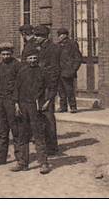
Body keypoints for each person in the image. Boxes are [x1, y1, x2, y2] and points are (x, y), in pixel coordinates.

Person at [13, 51, 51, 174]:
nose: (33, 60)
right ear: (26, 59)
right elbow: (16, 89)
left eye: (35, 57)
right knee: (23, 134)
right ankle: (22, 163)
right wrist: (17, 104)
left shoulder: (43, 72)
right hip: (23, 105)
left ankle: (43, 163)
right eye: (30, 58)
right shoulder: (22, 72)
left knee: (38, 135)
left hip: (36, 106)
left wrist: (47, 102)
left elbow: (50, 88)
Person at [0, 42, 20, 167]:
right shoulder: (0, 66)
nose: (6, 56)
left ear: (12, 53)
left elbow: (20, 84)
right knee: (2, 130)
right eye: (3, 54)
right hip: (1, 101)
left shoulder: (17, 65)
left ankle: (19, 157)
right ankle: (1, 157)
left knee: (15, 129)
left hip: (12, 100)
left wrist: (15, 99)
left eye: (8, 54)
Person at [32, 25, 61, 155]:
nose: (35, 38)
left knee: (48, 116)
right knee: (40, 116)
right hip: (39, 86)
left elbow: (54, 71)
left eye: (38, 36)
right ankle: (44, 144)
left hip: (48, 87)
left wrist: (51, 94)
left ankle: (52, 147)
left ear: (45, 37)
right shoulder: (39, 48)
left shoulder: (53, 49)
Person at [55, 28, 83, 113]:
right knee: (61, 91)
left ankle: (73, 106)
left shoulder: (72, 44)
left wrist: (73, 69)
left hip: (68, 71)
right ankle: (63, 107)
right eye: (59, 35)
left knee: (69, 90)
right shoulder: (58, 45)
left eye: (62, 35)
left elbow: (78, 58)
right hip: (59, 71)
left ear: (66, 35)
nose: (60, 37)